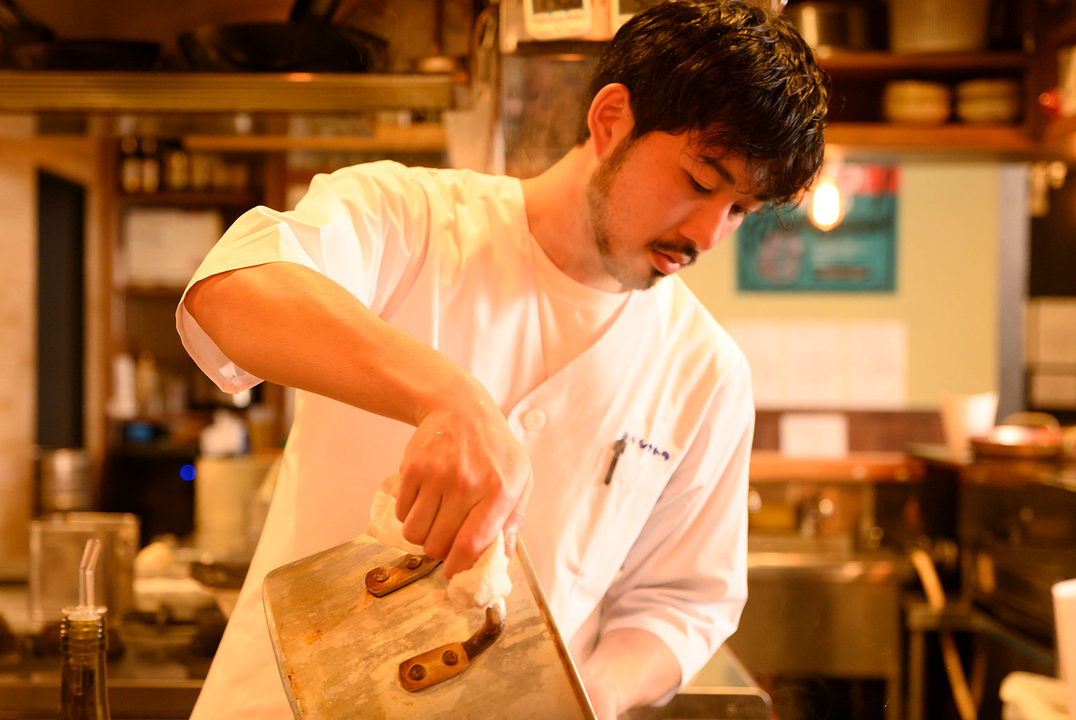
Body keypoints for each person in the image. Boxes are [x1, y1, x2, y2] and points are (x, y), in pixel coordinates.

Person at [176, 1, 828, 717]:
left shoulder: (706, 373)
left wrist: (588, 698)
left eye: (739, 210)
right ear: (612, 120)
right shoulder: (409, 216)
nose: (707, 232)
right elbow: (232, 292)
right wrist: (447, 398)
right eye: (702, 181)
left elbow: (682, 602)